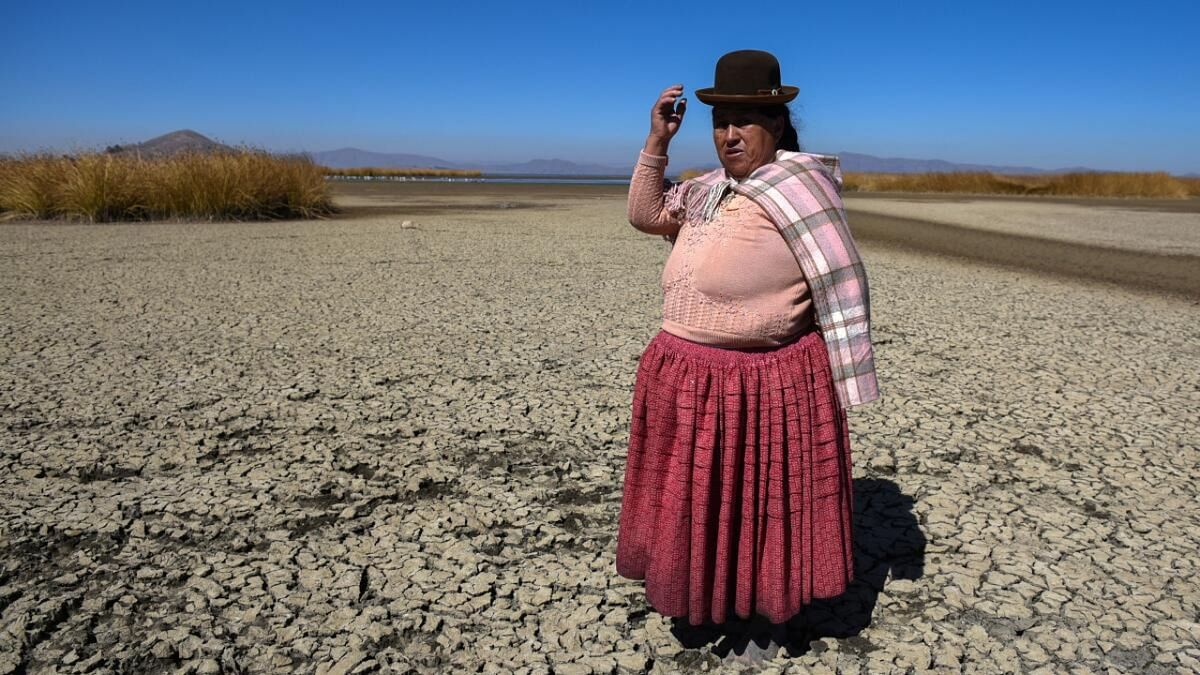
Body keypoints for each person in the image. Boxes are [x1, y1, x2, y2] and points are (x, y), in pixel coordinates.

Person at [615, 49, 880, 651]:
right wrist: (657, 142)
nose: (729, 134)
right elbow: (645, 214)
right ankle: (704, 598)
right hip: (687, 373)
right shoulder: (710, 189)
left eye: (745, 120)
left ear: (778, 124)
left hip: (761, 380)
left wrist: (843, 369)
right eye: (719, 121)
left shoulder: (800, 192)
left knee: (760, 503)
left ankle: (766, 613)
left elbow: (842, 279)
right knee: (697, 497)